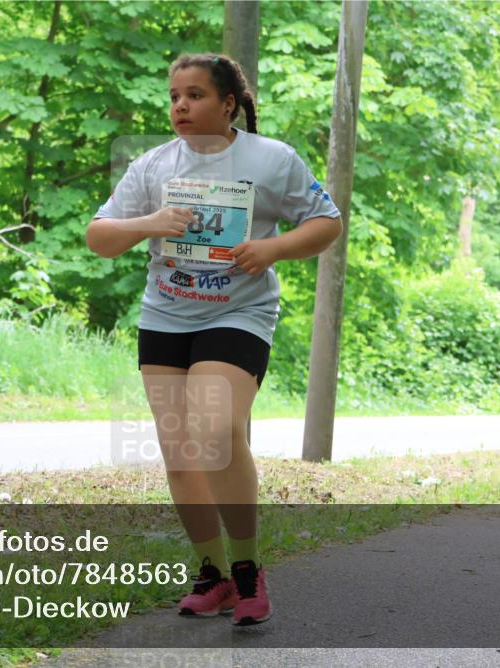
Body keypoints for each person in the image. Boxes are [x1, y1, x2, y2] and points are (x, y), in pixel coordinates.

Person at [85, 53, 343, 626]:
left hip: (239, 313)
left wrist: (273, 248)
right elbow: (99, 236)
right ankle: (213, 574)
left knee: (217, 429)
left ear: (229, 104)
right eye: (175, 95)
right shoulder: (154, 165)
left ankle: (249, 569)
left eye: (196, 95)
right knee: (180, 455)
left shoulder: (271, 160)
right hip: (166, 317)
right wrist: (149, 223)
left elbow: (326, 222)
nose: (181, 105)